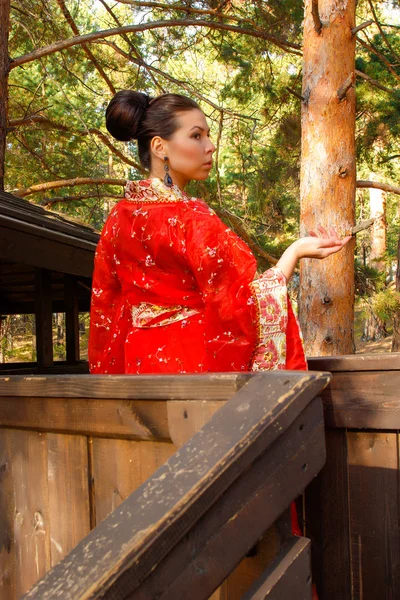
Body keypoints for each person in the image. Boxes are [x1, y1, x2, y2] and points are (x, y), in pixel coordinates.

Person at [89, 90, 351, 375]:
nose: (210, 146)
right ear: (159, 147)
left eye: (208, 135)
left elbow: (106, 307)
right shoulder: (190, 219)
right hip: (189, 362)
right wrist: (296, 251)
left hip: (136, 363)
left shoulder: (118, 218)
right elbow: (241, 303)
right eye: (196, 136)